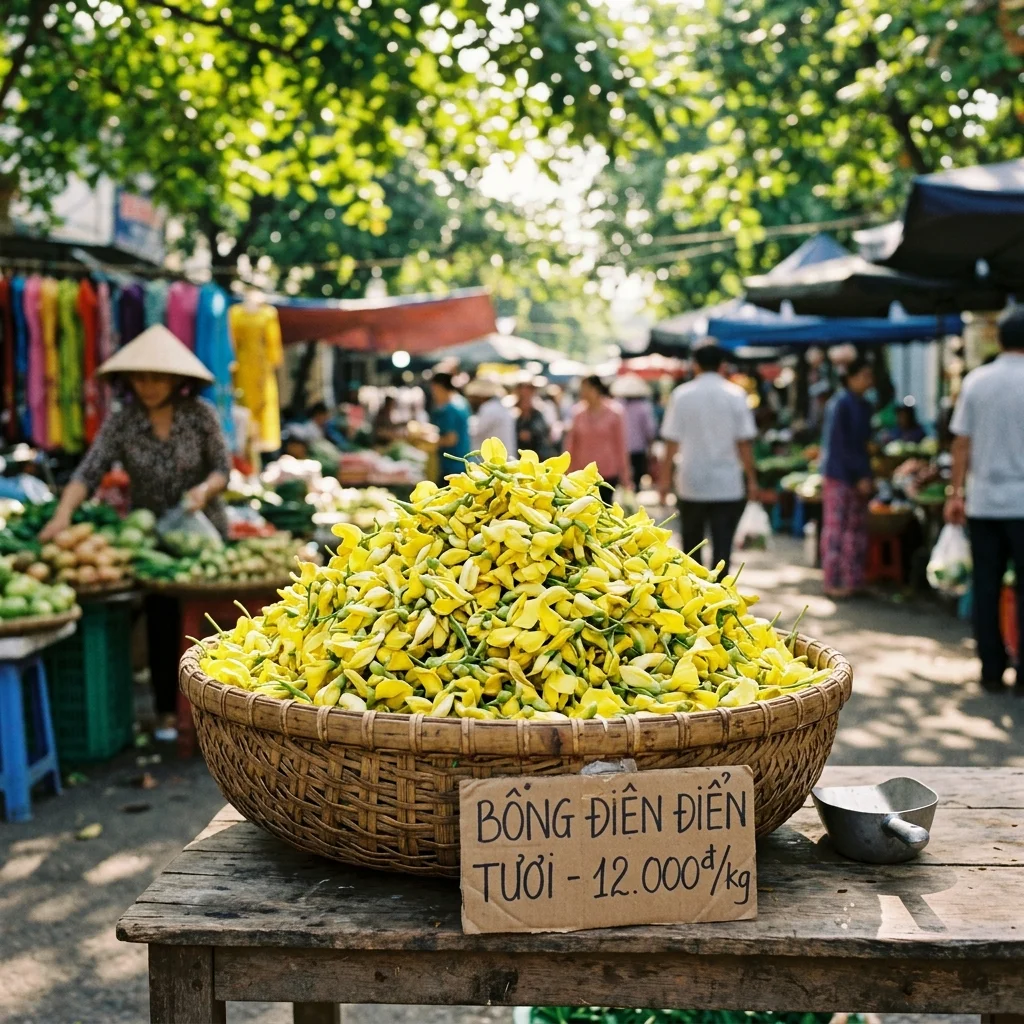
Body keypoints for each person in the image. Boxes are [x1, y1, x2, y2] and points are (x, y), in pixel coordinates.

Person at [39, 324, 230, 741]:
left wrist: (204, 490)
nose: (149, 386)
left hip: (204, 533)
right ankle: (167, 711)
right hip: (152, 537)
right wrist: (62, 514)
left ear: (176, 379)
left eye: (157, 377)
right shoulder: (122, 422)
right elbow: (89, 471)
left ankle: (221, 710)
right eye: (140, 378)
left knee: (210, 620)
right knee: (162, 619)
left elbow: (222, 469)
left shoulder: (200, 415)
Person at [945, 306, 1024, 691]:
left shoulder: (977, 381)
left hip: (984, 502)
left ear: (999, 339)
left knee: (987, 587)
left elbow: (961, 443)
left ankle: (991, 669)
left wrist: (955, 493)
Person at [660, 341, 757, 574]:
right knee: (723, 549)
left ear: (695, 364)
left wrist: (663, 481)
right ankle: (721, 593)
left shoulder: (682, 395)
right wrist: (752, 480)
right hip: (727, 484)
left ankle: (692, 594)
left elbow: (671, 442)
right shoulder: (736, 395)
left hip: (691, 482)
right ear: (723, 365)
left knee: (691, 552)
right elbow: (744, 443)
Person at [820, 356, 875, 599]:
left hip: (857, 475)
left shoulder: (863, 405)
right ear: (850, 378)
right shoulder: (840, 404)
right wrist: (859, 474)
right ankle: (832, 581)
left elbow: (862, 444)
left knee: (855, 530)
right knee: (837, 530)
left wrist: (866, 473)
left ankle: (853, 579)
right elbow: (841, 445)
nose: (868, 381)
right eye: (864, 376)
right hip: (839, 476)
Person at [565, 374, 632, 502]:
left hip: (607, 472)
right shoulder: (577, 413)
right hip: (582, 474)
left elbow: (620, 445)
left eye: (586, 389)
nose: (583, 393)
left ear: (596, 389)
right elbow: (571, 444)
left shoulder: (614, 413)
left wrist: (625, 477)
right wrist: (567, 471)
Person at [612, 374, 657, 489]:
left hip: (621, 448)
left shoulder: (617, 406)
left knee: (622, 477)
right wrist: (651, 445)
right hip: (638, 447)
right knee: (637, 476)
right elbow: (649, 429)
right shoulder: (644, 407)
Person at [428, 371, 471, 480]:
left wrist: (429, 442)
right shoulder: (461, 401)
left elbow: (451, 439)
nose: (433, 394)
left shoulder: (450, 409)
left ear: (439, 388)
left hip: (453, 466)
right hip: (463, 461)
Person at [464, 377, 516, 455]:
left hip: (497, 457)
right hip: (504, 455)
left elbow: (476, 431)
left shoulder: (489, 408)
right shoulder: (499, 406)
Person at [514, 377, 554, 459]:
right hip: (518, 455)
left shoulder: (541, 408)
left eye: (530, 388)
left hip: (538, 455)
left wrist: (531, 434)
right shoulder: (512, 408)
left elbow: (545, 430)